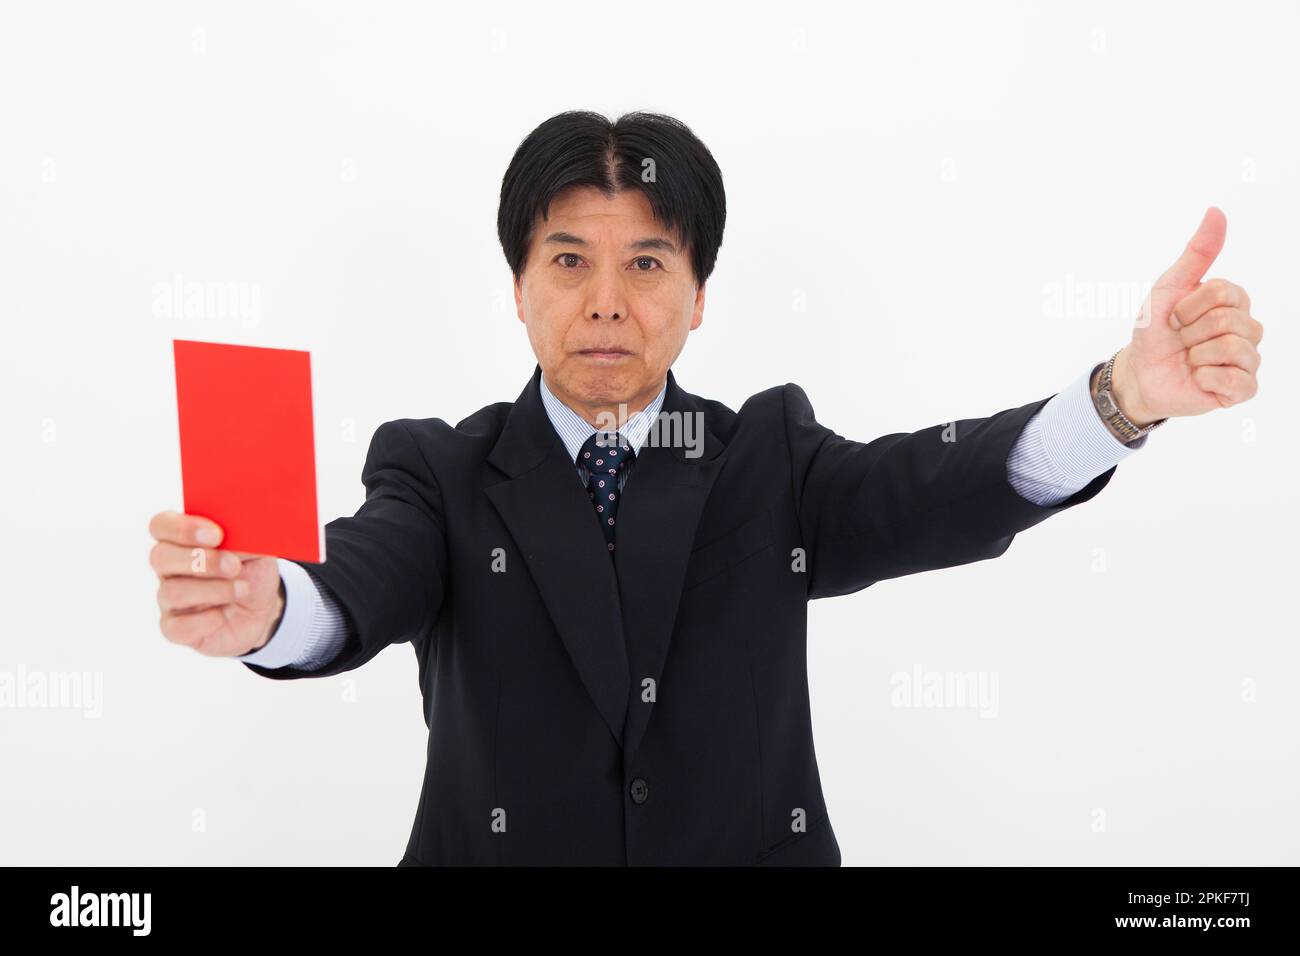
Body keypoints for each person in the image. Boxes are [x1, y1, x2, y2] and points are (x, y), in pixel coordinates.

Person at [147, 110, 1263, 865]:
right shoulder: (440, 470)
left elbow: (942, 482)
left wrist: (1122, 395)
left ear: (698, 294)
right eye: (568, 259)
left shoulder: (764, 458)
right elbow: (362, 574)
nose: (605, 300)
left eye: (647, 262)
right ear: (519, 289)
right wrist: (277, 606)